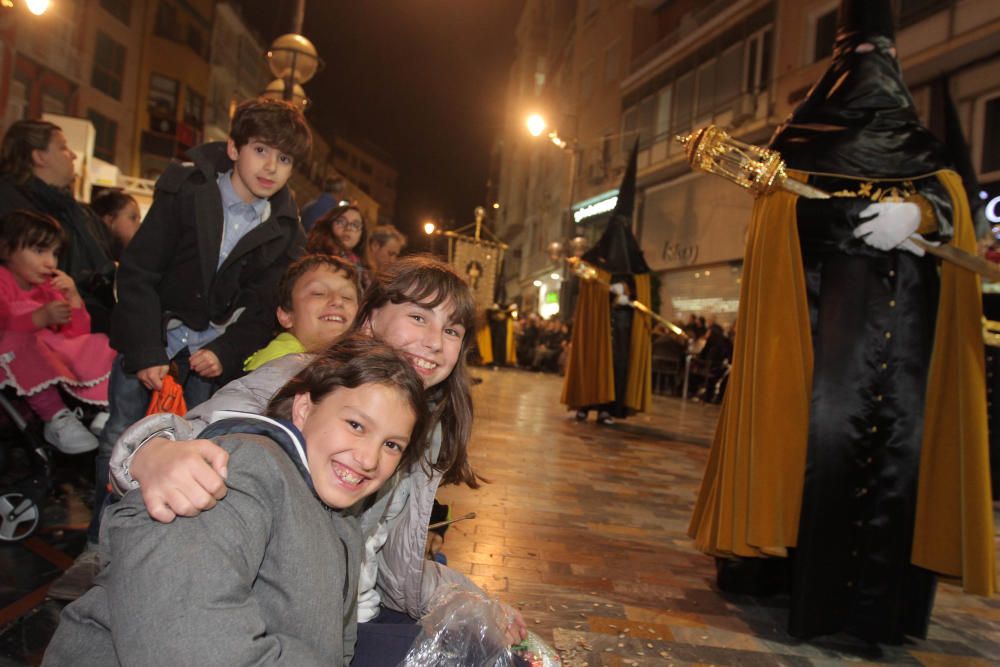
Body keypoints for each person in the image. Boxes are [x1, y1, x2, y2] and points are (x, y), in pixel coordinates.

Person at [688, 0, 995, 644]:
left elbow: (953, 211)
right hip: (817, 358)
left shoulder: (928, 155)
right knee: (814, 465)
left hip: (906, 363)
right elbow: (775, 234)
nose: (870, 71)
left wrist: (920, 215)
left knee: (894, 479)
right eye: (859, 59)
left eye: (880, 59)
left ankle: (886, 614)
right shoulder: (796, 148)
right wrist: (842, 222)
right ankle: (794, 587)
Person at [105, 255, 528, 664]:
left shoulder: (425, 425)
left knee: (499, 649)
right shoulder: (306, 379)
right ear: (368, 321)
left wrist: (470, 598)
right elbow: (203, 432)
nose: (435, 342)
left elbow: (391, 564)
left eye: (452, 331)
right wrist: (152, 451)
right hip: (279, 616)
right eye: (418, 317)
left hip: (342, 612)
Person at [47, 97, 311, 601]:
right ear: (234, 147)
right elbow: (141, 272)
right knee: (121, 440)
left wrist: (227, 353)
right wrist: (146, 349)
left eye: (284, 159)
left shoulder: (285, 228)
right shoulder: (184, 189)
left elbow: (263, 307)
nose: (271, 168)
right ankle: (99, 548)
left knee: (189, 451)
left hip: (207, 360)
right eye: (261, 151)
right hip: (154, 341)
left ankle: (151, 552)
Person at [43, 335, 429, 666]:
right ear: (304, 407)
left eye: (392, 445)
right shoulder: (240, 470)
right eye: (356, 425)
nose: (369, 459)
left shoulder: (338, 516)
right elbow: (188, 646)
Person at [0, 210, 115, 454]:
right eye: (39, 251)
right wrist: (38, 318)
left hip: (54, 354)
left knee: (101, 342)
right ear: (6, 249)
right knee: (23, 344)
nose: (50, 262)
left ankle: (106, 406)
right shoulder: (2, 281)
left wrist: (73, 299)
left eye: (54, 253)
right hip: (13, 358)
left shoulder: (48, 287)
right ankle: (56, 418)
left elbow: (76, 335)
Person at [563, 141, 653, 426]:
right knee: (592, 360)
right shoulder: (595, 260)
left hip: (622, 326)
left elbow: (642, 286)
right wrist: (603, 290)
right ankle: (584, 405)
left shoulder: (635, 264)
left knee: (617, 367)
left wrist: (628, 297)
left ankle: (608, 408)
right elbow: (584, 278)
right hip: (598, 325)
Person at [0, 120, 116, 332]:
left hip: (87, 316)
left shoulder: (80, 212)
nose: (72, 155)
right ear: (39, 156)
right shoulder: (10, 202)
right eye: (63, 147)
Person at [243, 254, 359, 371]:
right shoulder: (275, 363)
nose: (338, 300)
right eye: (318, 293)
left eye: (347, 297)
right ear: (286, 316)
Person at [307, 204, 370, 271]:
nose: (348, 228)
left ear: (362, 234)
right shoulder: (316, 259)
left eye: (355, 225)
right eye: (341, 222)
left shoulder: (362, 268)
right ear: (328, 225)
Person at [88, 189, 141, 261]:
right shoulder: (92, 259)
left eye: (139, 219)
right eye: (133, 218)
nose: (140, 225)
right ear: (109, 220)